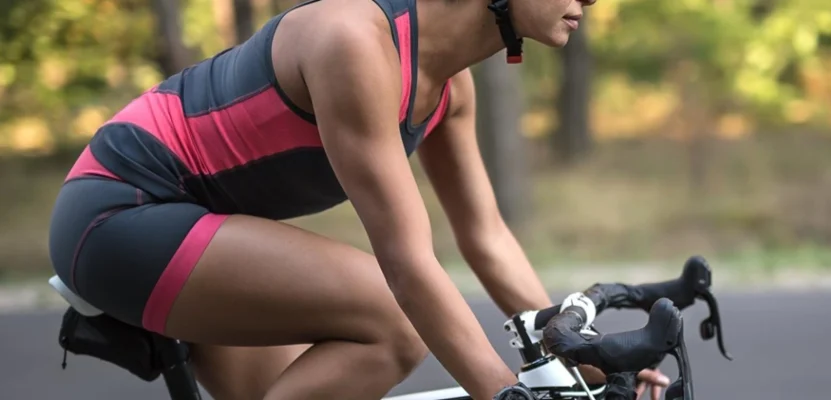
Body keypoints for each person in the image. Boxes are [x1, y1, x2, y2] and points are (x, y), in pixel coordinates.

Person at [46, 0, 670, 399]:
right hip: (121, 213)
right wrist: (504, 394)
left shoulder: (452, 90)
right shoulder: (354, 39)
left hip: (208, 228)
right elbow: (405, 262)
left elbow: (486, 239)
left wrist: (586, 371)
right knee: (393, 327)